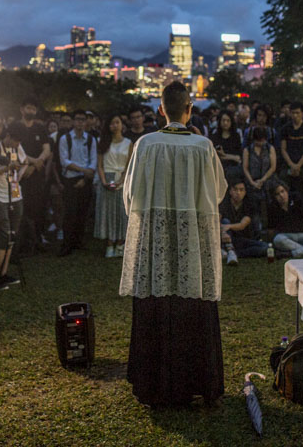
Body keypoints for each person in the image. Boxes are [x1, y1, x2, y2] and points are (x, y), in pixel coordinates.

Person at [120, 81, 226, 407]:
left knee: (156, 300)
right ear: (189, 108)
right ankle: (198, 382)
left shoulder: (146, 144)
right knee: (193, 302)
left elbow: (131, 197)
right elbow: (218, 193)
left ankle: (153, 384)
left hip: (156, 244)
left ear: (161, 110)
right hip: (192, 241)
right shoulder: (203, 146)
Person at [0, 123, 33, 288]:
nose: (17, 145)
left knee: (12, 236)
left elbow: (25, 162)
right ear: (8, 136)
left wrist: (18, 176)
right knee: (3, 236)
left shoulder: (18, 148)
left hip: (16, 195)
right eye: (16, 141)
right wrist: (6, 168)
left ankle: (4, 273)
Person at [16, 99, 52, 256]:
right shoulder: (16, 127)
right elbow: (15, 150)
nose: (31, 111)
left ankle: (37, 240)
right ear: (22, 109)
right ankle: (22, 243)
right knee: (21, 210)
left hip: (37, 175)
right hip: (21, 175)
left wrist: (38, 162)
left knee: (37, 208)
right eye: (28, 107)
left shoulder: (40, 128)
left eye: (33, 108)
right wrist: (31, 163)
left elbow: (47, 149)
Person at [57, 110, 96, 256]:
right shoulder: (65, 138)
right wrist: (82, 171)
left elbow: (93, 161)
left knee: (82, 212)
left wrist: (85, 178)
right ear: (73, 121)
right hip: (70, 179)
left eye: (83, 120)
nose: (80, 123)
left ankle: (78, 241)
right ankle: (67, 243)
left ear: (86, 122)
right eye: (78, 119)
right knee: (70, 212)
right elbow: (64, 161)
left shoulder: (91, 139)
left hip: (85, 179)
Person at [94, 115, 131, 258]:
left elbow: (128, 165)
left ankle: (120, 243)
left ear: (122, 124)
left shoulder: (128, 143)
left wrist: (121, 181)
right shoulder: (102, 142)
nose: (115, 126)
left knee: (121, 212)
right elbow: (100, 165)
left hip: (122, 178)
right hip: (107, 177)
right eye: (111, 123)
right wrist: (104, 181)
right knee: (108, 212)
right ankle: (109, 243)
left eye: (117, 122)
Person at [219, 177, 268, 264]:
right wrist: (223, 231)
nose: (238, 193)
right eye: (235, 190)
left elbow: (242, 225)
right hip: (228, 237)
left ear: (245, 192)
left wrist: (228, 226)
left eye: (241, 190)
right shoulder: (224, 204)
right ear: (230, 191)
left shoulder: (248, 205)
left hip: (243, 238)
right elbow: (217, 222)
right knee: (225, 220)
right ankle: (229, 250)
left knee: (265, 247)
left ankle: (233, 253)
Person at [278, 101, 303, 201]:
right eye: (293, 113)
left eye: (297, 113)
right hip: (288, 164)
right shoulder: (285, 129)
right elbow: (283, 149)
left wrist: (298, 165)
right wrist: (291, 165)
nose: (295, 115)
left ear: (302, 113)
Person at [241, 126, 277, 206]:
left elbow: (273, 167)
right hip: (252, 180)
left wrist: (262, 180)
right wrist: (252, 182)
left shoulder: (270, 148)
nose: (260, 143)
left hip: (267, 180)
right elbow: (245, 168)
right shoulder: (247, 150)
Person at [210, 110, 243, 180]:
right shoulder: (214, 136)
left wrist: (224, 155)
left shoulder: (236, 136)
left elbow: (238, 157)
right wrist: (229, 156)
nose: (225, 123)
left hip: (233, 170)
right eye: (223, 120)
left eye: (228, 120)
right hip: (218, 170)